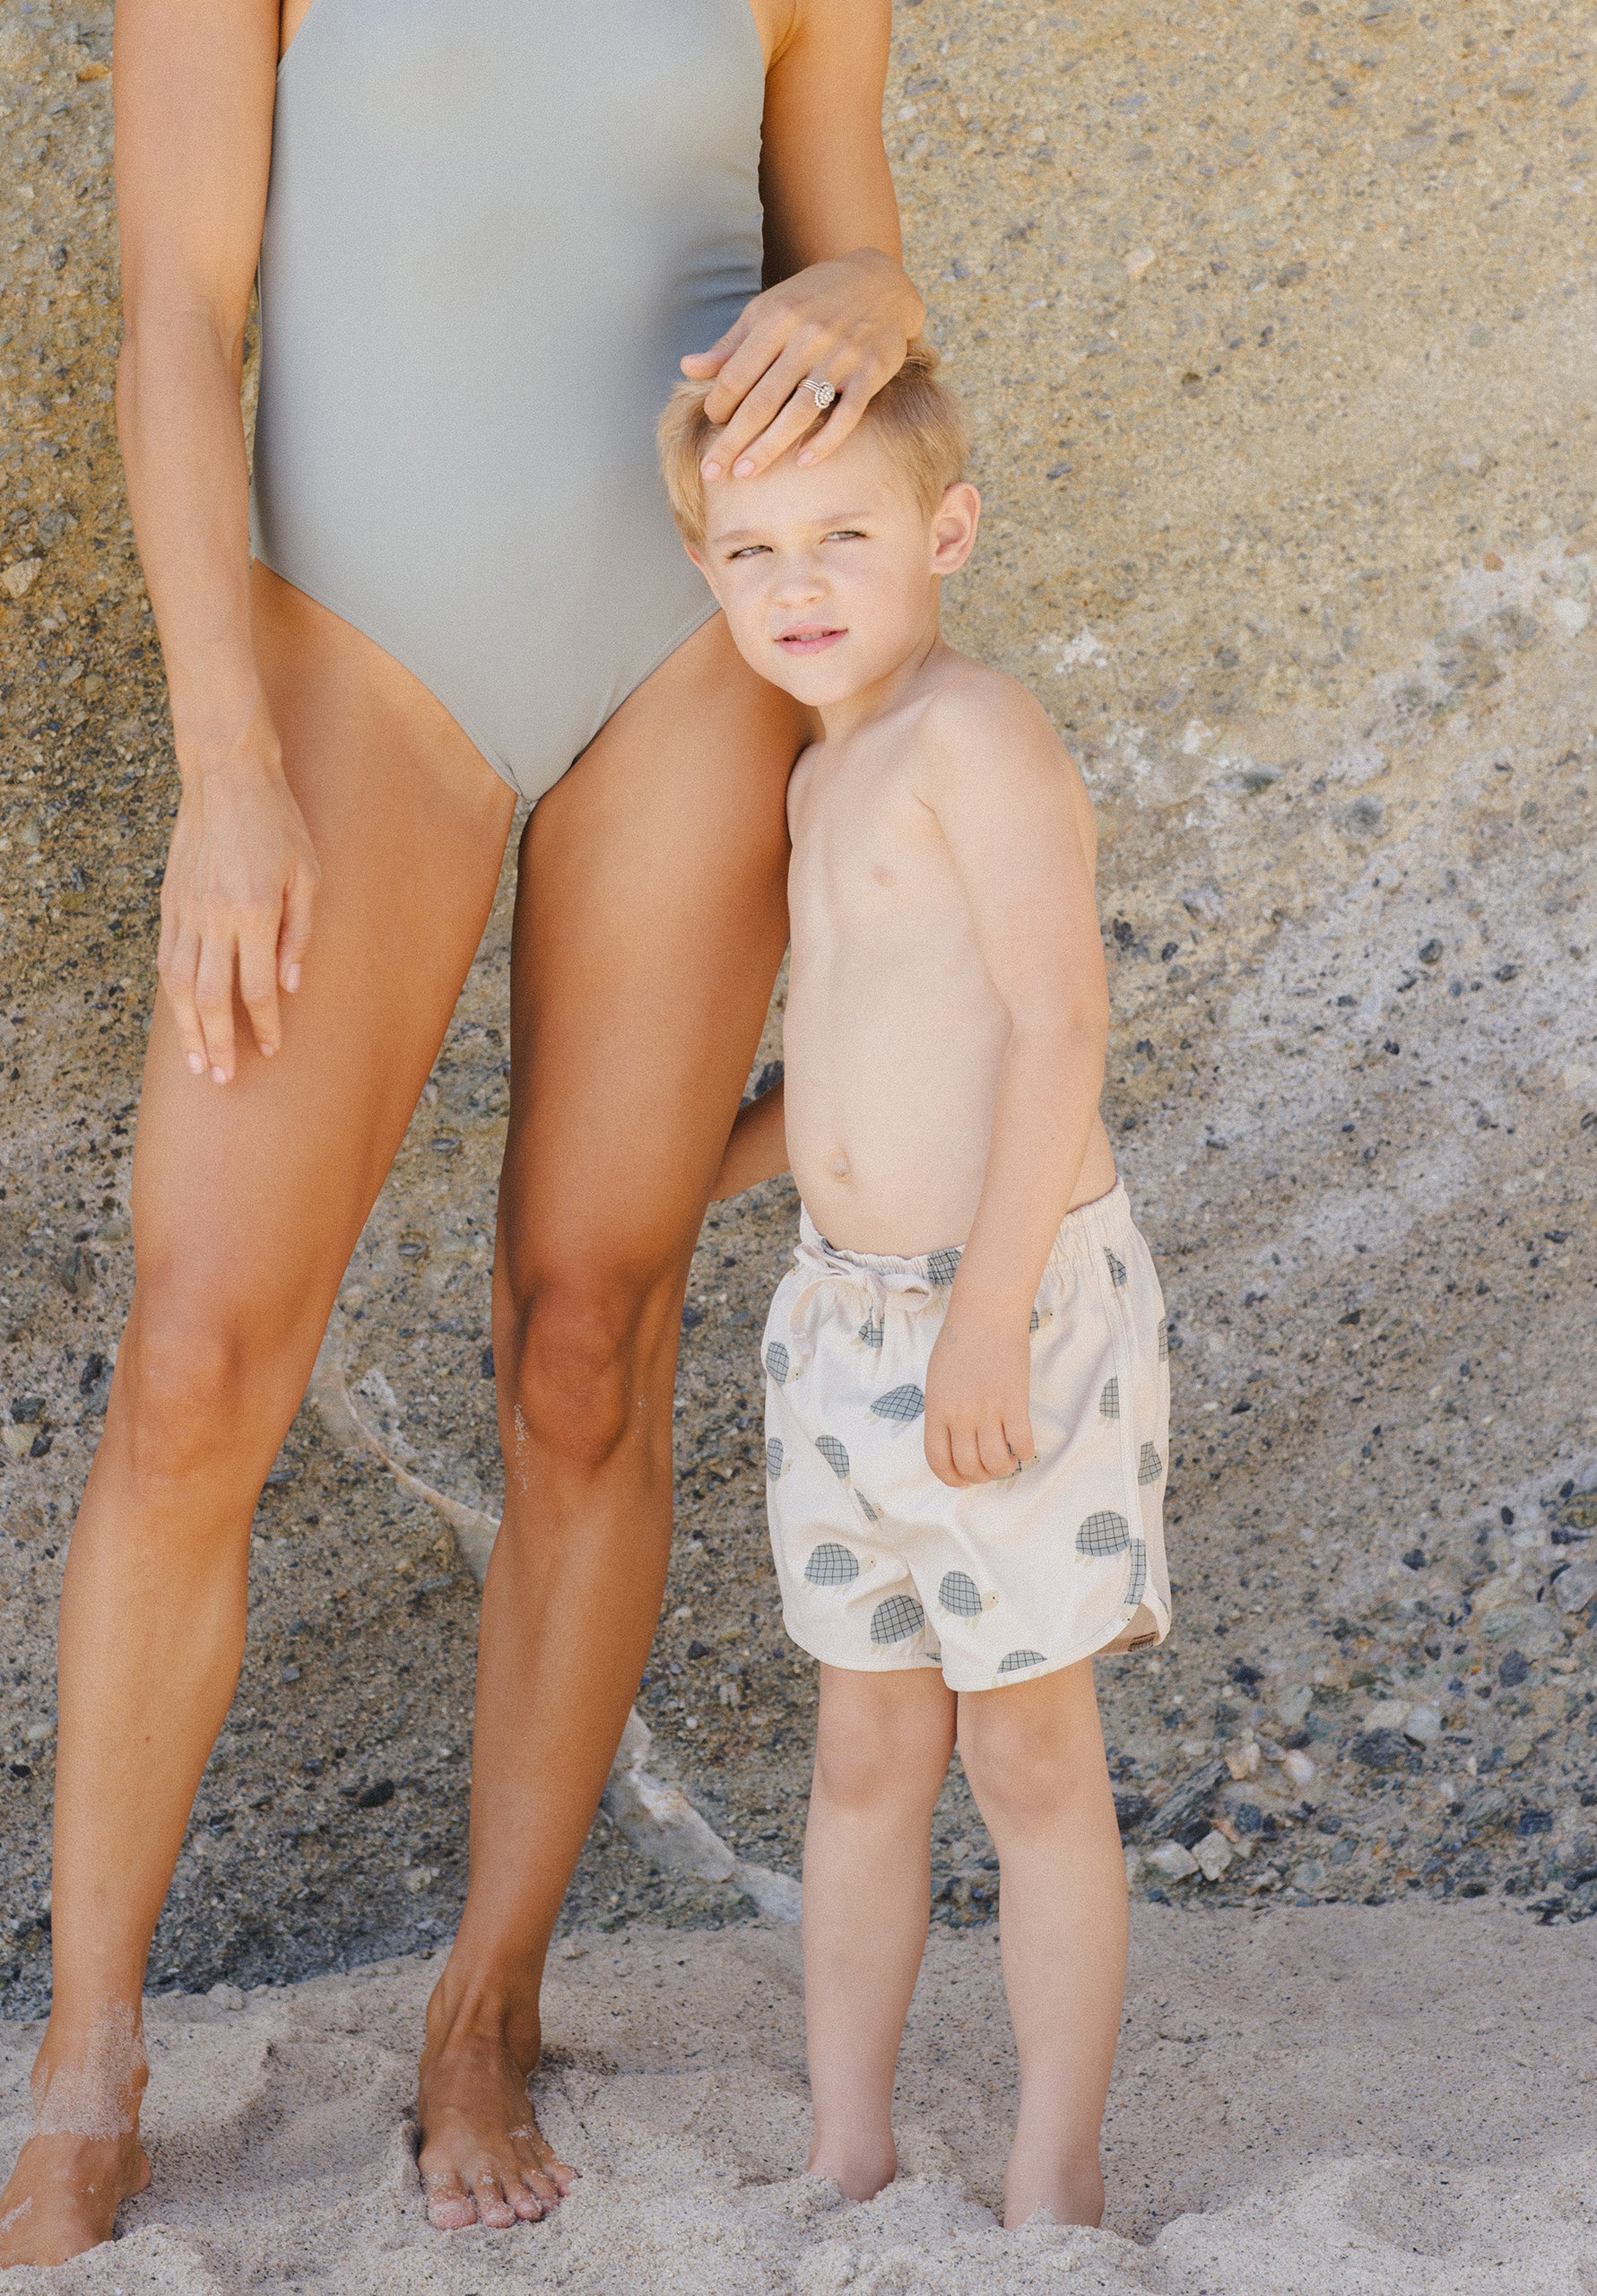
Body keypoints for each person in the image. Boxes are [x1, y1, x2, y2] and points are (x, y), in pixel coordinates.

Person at [0, 0, 924, 2267]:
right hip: (344, 659)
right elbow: (179, 315)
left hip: (684, 652)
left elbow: (864, 268)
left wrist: (876, 304)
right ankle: (89, 2043)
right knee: (201, 1360)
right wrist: (221, 762)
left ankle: (485, 2008)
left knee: (592, 1334)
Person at [660, 349, 1173, 2229]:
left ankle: (1055, 2163)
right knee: (867, 1738)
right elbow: (841, 1078)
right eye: (750, 547)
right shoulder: (816, 773)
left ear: (944, 533)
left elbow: (1061, 1020)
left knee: (1027, 1744)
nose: (797, 581)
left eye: (845, 535)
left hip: (1003, 1314)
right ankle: (848, 2141)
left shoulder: (974, 730)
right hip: (841, 1320)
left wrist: (987, 1312)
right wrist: (668, 1184)